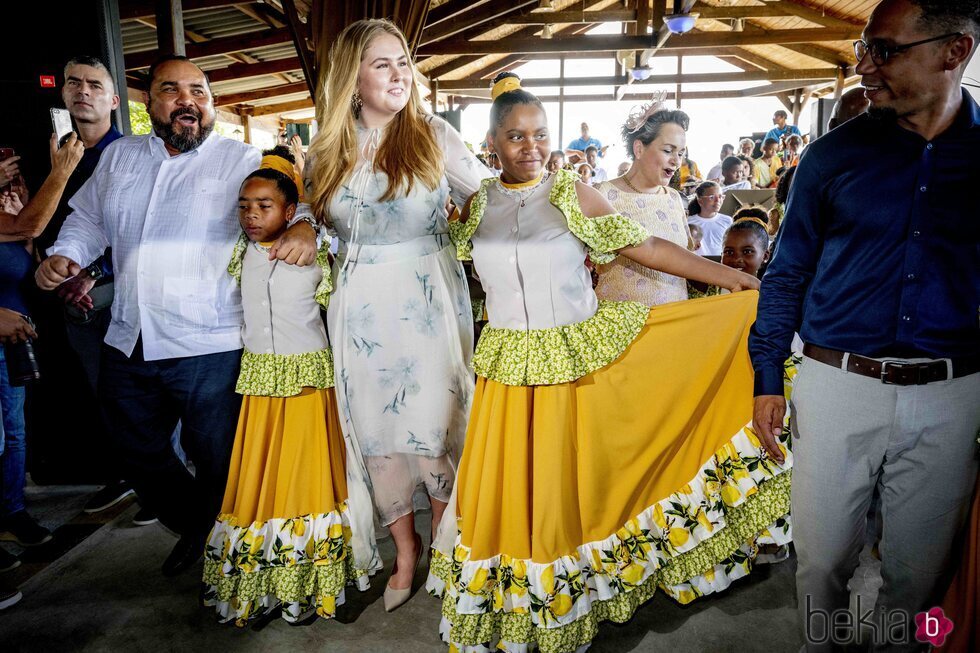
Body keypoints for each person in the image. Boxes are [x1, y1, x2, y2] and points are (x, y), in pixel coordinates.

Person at [429, 72, 789, 653]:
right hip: (506, 371)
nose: (532, 147)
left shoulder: (573, 194)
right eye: (516, 137)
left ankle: (571, 591)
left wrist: (738, 280)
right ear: (491, 145)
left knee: (572, 482)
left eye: (541, 134)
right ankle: (517, 596)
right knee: (516, 484)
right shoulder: (475, 207)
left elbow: (647, 248)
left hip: (573, 361)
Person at [750, 1, 979, 649]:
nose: (864, 67)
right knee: (821, 561)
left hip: (953, 393)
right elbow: (786, 273)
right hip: (838, 382)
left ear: (952, 52)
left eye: (884, 50)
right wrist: (768, 373)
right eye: (861, 50)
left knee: (917, 570)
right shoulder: (830, 158)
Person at [35, 55, 318, 577]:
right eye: (172, 90)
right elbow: (87, 219)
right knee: (134, 450)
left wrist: (302, 226)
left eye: (199, 91)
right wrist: (66, 253)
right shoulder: (121, 157)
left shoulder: (239, 158)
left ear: (210, 104)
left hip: (209, 342)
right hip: (131, 336)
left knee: (218, 458)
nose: (188, 100)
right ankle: (204, 527)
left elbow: (295, 202)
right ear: (149, 102)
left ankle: (229, 552)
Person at [305, 19, 492, 613]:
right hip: (359, 308)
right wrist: (300, 231)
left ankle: (445, 542)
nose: (398, 74)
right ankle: (404, 551)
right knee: (377, 433)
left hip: (429, 301)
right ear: (351, 77)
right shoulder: (324, 147)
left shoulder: (434, 135)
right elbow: (312, 216)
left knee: (435, 427)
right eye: (382, 63)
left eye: (404, 62)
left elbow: (492, 200)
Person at [202, 162, 363, 625]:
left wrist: (307, 223)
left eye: (265, 206)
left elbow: (322, 212)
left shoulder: (319, 252)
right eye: (244, 207)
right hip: (259, 387)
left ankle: (308, 590)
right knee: (261, 484)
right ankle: (262, 589)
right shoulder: (240, 251)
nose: (252, 215)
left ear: (289, 210)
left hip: (309, 385)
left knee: (305, 481)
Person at [0, 132, 84, 556]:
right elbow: (29, 224)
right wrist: (62, 170)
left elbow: (28, 237)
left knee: (14, 434)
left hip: (13, 339)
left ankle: (11, 514)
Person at [594, 103, 700, 306]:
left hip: (674, 319)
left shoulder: (674, 199)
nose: (676, 162)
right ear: (639, 148)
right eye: (669, 150)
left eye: (681, 153)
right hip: (619, 327)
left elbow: (685, 261)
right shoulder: (604, 194)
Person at [687, 181, 734, 257]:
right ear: (700, 201)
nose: (718, 200)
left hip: (721, 263)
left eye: (720, 196)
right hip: (697, 264)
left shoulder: (727, 220)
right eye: (712, 197)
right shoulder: (689, 221)